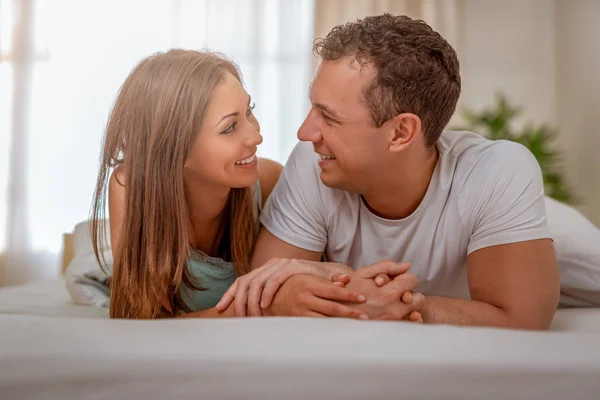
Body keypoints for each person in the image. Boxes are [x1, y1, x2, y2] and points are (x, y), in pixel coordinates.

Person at [216, 14, 560, 330]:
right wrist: (347, 280)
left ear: (400, 133)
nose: (306, 133)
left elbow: (522, 319)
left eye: (330, 118)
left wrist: (402, 305)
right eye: (313, 108)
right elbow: (265, 289)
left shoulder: (497, 171)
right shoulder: (315, 160)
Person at [90, 49, 373, 319]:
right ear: (174, 149)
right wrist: (264, 310)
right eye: (229, 128)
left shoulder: (270, 181)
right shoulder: (131, 187)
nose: (256, 137)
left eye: (249, 111)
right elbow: (145, 322)